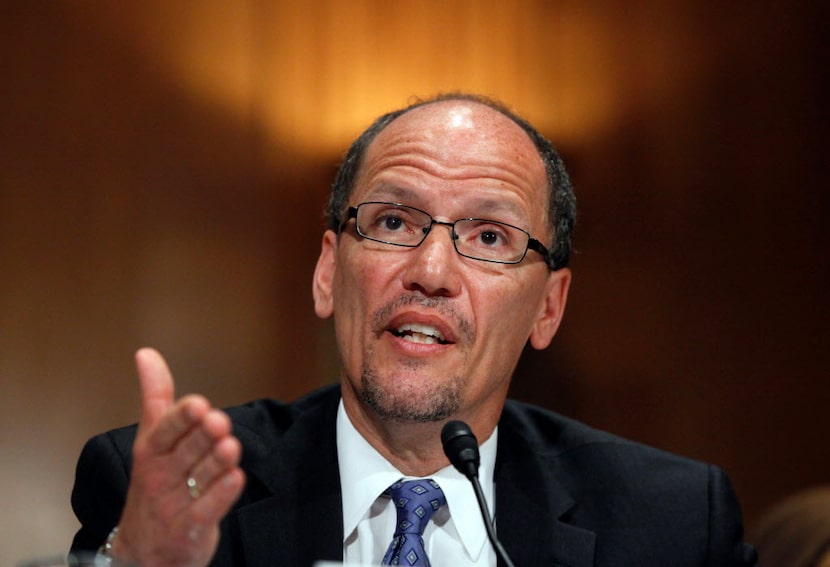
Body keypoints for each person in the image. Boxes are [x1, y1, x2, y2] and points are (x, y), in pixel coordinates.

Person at [70, 93, 757, 566]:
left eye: (490, 235)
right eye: (394, 222)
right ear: (327, 271)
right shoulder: (167, 494)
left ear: (549, 306)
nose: (431, 270)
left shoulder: (670, 523)